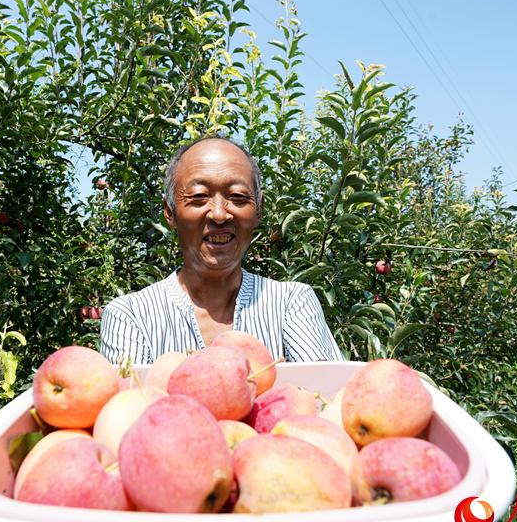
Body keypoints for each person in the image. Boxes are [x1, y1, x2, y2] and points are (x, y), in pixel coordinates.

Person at [99, 136, 342, 365]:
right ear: (170, 212)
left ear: (259, 209)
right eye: (198, 196)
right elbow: (129, 405)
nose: (219, 213)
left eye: (237, 196)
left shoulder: (292, 303)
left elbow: (324, 399)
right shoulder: (130, 317)